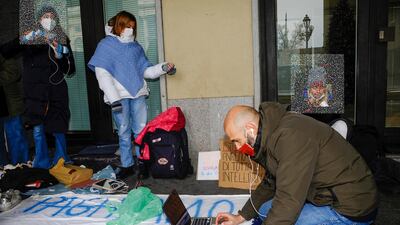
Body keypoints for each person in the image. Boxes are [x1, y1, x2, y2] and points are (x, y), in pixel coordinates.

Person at [216, 102, 378, 225]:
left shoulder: (290, 137)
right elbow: (271, 182)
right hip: (325, 193)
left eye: (236, 141)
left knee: (282, 216)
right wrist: (240, 216)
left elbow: (288, 202)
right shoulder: (271, 133)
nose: (237, 148)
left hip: (351, 207)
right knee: (264, 211)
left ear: (250, 129)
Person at [88, 11, 176, 179]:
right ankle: (127, 164)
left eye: (132, 27)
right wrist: (113, 99)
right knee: (123, 132)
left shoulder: (136, 47)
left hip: (138, 93)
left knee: (141, 131)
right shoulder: (106, 45)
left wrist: (163, 68)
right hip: (119, 97)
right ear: (118, 25)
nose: (130, 30)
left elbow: (146, 71)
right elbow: (102, 74)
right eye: (127, 26)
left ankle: (143, 163)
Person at [0, 5, 75, 169]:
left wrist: (60, 56)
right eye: (45, 16)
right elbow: (5, 50)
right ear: (39, 20)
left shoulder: (61, 37)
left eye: (52, 16)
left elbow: (70, 69)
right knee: (38, 129)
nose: (49, 19)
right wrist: (23, 39)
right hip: (35, 91)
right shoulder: (30, 37)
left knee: (58, 127)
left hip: (56, 90)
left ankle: (62, 160)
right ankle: (41, 164)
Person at [0, 53, 29, 165]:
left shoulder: (4, 50)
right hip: (7, 106)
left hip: (9, 107)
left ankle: (21, 168)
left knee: (17, 139)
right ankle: (3, 171)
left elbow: (14, 72)